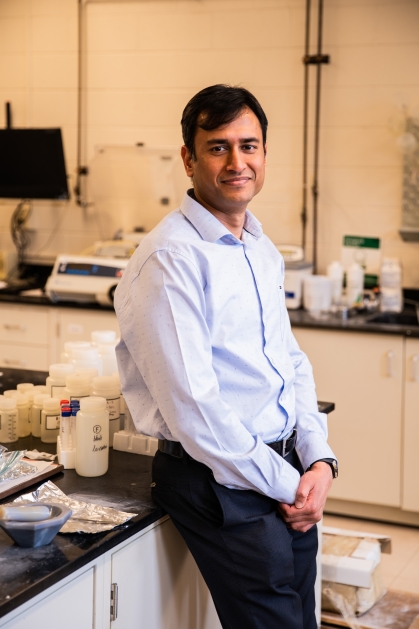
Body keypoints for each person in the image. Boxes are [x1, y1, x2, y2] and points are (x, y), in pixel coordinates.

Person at [114, 84, 338, 629]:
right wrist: (292, 487)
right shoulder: (171, 258)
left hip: (282, 471)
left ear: (264, 153)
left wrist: (318, 460)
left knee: (299, 617)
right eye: (218, 147)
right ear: (189, 159)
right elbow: (196, 410)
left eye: (250, 145)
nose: (237, 162)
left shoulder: (258, 246)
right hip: (218, 480)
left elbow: (290, 361)